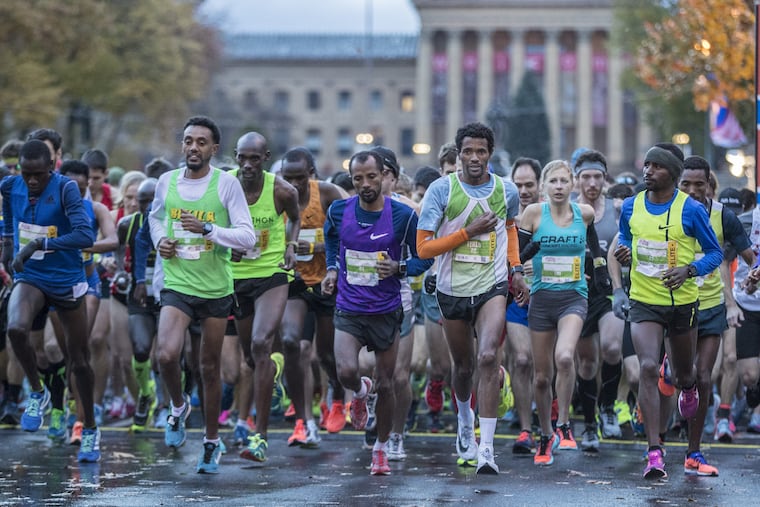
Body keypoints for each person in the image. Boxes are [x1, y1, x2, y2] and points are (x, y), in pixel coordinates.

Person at [148, 115, 256, 474]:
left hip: (215, 288)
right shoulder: (167, 182)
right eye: (188, 141)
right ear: (182, 145)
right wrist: (160, 240)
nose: (193, 147)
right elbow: (155, 217)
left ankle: (211, 441)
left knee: (209, 368)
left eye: (201, 142)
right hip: (178, 283)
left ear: (213, 149)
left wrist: (209, 229)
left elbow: (247, 237)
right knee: (165, 355)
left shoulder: (226, 185)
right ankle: (178, 407)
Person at [417, 122, 526, 475]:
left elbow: (509, 228)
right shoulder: (440, 190)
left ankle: (488, 449)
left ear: (490, 154)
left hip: (492, 285)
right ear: (458, 153)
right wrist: (468, 232)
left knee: (489, 356)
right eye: (468, 151)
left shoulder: (505, 190)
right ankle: (465, 422)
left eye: (481, 151)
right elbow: (423, 247)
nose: (475, 158)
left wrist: (516, 269)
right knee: (462, 368)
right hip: (451, 289)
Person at [613, 143, 722, 479]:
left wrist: (688, 270)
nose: (648, 171)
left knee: (686, 376)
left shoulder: (690, 210)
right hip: (645, 301)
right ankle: (654, 452)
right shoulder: (631, 206)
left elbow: (714, 254)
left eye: (656, 166)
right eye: (646, 165)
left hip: (683, 304)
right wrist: (625, 253)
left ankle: (686, 389)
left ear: (673, 175)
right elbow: (625, 238)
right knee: (646, 366)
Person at [322, 150, 427, 475]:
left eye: (371, 177)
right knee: (346, 372)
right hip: (350, 307)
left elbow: (424, 256)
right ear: (351, 180)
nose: (365, 184)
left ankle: (380, 448)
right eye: (358, 179)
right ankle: (359, 392)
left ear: (384, 176)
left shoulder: (402, 215)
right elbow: (330, 240)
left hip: (386, 310)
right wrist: (331, 269)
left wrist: (400, 267)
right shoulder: (339, 211)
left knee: (387, 383)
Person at [1, 139, 98, 461]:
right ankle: (37, 392)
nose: (31, 181)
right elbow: (8, 217)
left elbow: (86, 236)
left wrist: (37, 245)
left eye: (38, 175)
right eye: (26, 174)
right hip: (31, 276)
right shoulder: (9, 186)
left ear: (51, 169)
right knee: (15, 329)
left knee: (79, 360)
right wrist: (8, 246)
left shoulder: (66, 188)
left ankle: (91, 429)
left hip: (68, 278)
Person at [519, 159, 607, 465]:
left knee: (566, 356)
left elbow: (593, 241)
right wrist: (524, 264)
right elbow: (516, 256)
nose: (558, 187)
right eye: (553, 182)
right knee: (542, 377)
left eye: (563, 181)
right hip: (541, 300)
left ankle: (565, 424)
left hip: (573, 298)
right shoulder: (532, 214)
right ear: (544, 186)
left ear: (573, 185)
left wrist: (598, 266)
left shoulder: (584, 213)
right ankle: (544, 435)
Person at [677, 156, 754, 475]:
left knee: (703, 377)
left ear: (710, 185)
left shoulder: (724, 217)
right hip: (672, 307)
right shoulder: (664, 209)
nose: (693, 191)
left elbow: (751, 256)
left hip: (709, 307)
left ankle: (694, 452)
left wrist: (755, 273)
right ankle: (657, 444)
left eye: (700, 184)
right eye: (686, 184)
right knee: (679, 377)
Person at [228, 132, 300, 464]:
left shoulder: (282, 190)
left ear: (266, 158)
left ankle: (261, 437)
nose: (247, 165)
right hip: (236, 277)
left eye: (254, 158)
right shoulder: (224, 185)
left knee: (260, 342)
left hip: (272, 274)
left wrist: (289, 245)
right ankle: (276, 364)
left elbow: (296, 219)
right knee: (250, 357)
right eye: (242, 157)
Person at [279, 147, 345, 447]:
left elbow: (353, 231)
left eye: (299, 178)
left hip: (327, 282)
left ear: (311, 175)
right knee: (296, 345)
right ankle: (305, 422)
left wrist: (317, 249)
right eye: (287, 178)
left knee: (326, 355)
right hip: (296, 282)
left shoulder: (329, 194)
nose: (293, 185)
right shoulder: (277, 196)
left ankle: (337, 391)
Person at [571, 150, 625, 451]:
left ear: (605, 179)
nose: (592, 183)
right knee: (588, 362)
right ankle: (590, 425)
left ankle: (608, 407)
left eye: (597, 177)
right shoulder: (567, 211)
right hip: (579, 293)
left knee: (613, 348)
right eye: (586, 177)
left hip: (609, 292)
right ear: (577, 180)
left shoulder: (618, 212)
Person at [505, 156, 541, 454]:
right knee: (521, 360)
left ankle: (549, 420)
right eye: (518, 184)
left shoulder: (554, 217)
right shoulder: (504, 218)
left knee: (546, 366)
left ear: (539, 186)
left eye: (529, 184)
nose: (524, 190)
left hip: (548, 299)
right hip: (512, 300)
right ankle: (525, 428)